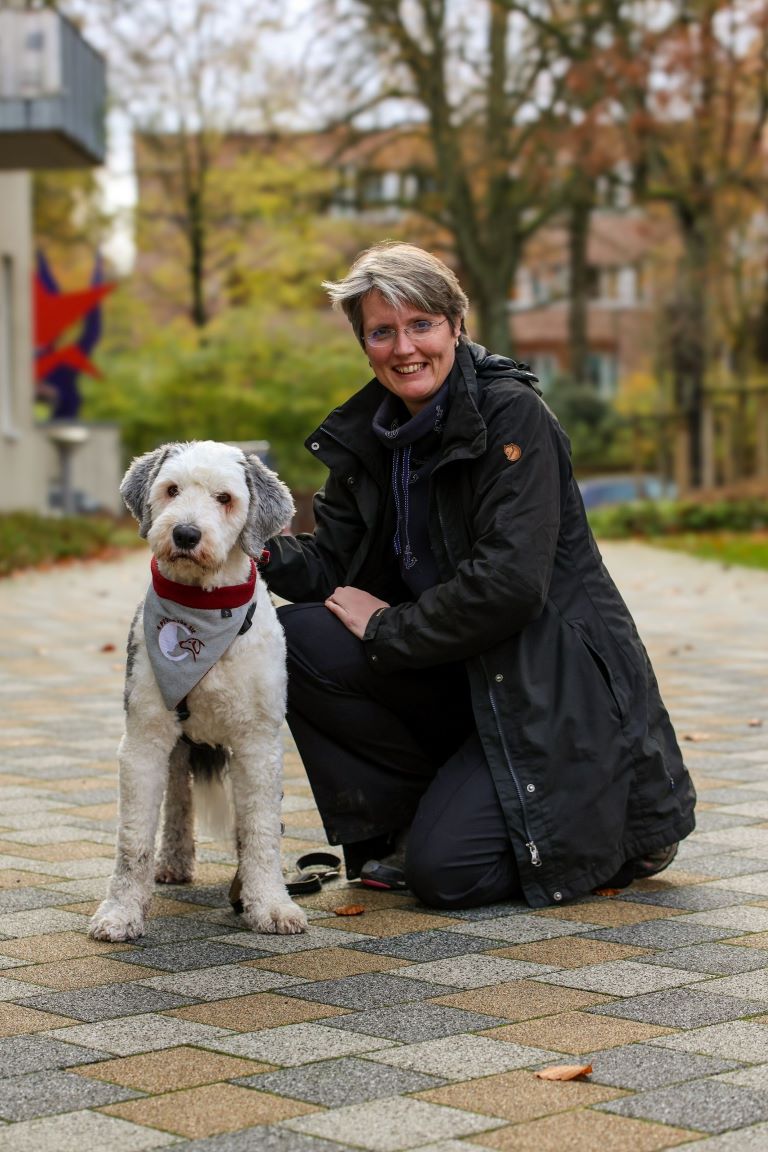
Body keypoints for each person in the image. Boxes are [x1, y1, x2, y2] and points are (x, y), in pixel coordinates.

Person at [260, 241, 695, 910]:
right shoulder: (372, 436)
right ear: (364, 343)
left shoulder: (510, 416)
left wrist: (386, 625)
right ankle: (403, 827)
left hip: (545, 690)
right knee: (294, 639)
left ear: (456, 327)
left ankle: (626, 830)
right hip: (460, 677)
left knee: (450, 877)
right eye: (382, 331)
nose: (404, 347)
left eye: (422, 324)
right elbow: (331, 565)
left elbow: (509, 585)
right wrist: (243, 545)